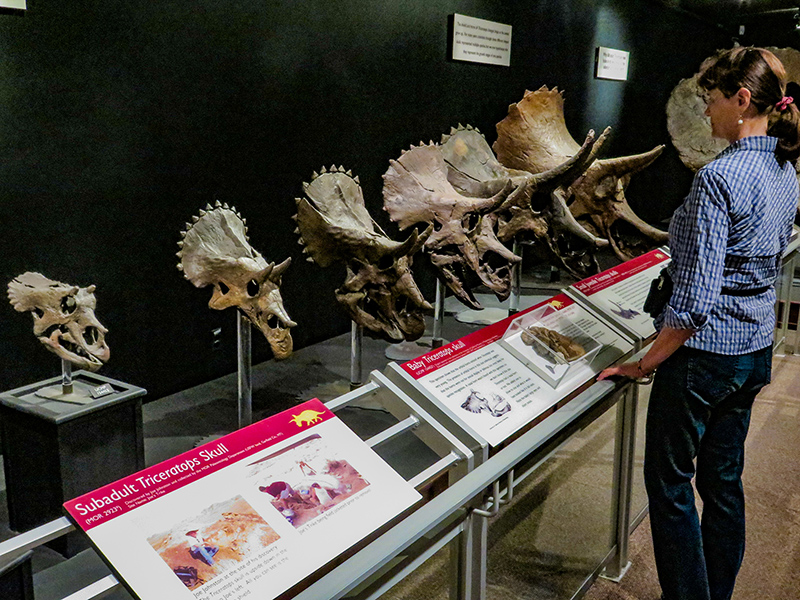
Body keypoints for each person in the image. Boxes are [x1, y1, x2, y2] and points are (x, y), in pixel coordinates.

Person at [598, 46, 800, 600]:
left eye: (711, 101)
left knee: (668, 484)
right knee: (723, 480)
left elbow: (693, 303)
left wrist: (644, 362)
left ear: (741, 100)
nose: (707, 114)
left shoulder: (718, 178)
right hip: (754, 349)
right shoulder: (786, 167)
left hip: (702, 362)